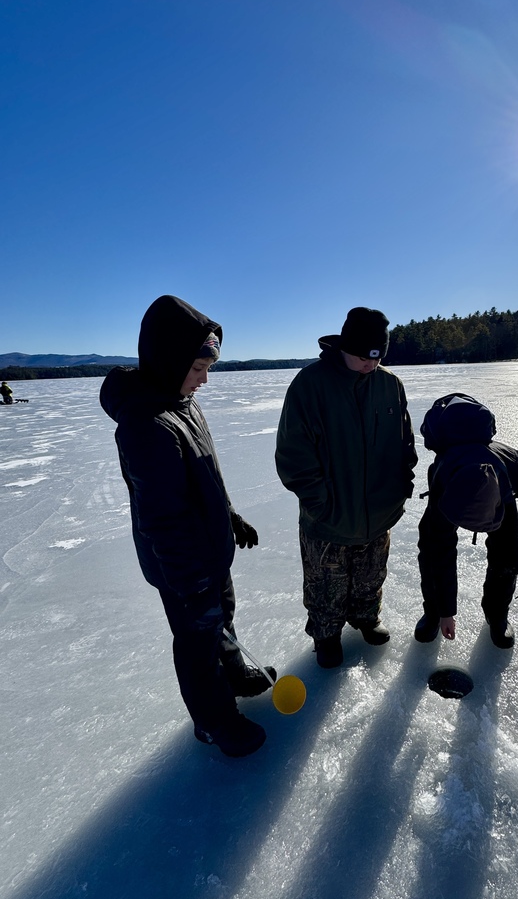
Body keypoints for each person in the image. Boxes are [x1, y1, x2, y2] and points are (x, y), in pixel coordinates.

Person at [100, 294, 274, 757]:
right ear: (169, 359)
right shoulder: (147, 424)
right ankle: (215, 722)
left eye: (207, 369)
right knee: (197, 644)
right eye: (197, 369)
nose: (204, 380)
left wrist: (230, 516)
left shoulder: (181, 403)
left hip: (210, 550)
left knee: (224, 619)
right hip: (182, 568)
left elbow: (206, 476)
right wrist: (189, 580)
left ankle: (235, 673)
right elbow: (162, 517)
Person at [275, 307, 417, 668]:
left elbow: (404, 443)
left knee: (371, 576)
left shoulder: (390, 385)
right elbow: (293, 455)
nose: (371, 364)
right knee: (326, 586)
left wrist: (402, 486)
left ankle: (367, 620)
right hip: (329, 519)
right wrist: (320, 504)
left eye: (378, 357)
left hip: (378, 512)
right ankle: (327, 636)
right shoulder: (310, 385)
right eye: (362, 356)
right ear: (345, 347)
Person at [415, 393, 518, 648]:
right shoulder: (441, 480)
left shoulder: (515, 468)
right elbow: (439, 557)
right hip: (450, 491)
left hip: (500, 502)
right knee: (432, 551)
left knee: (508, 557)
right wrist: (446, 612)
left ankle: (497, 616)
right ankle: (433, 612)